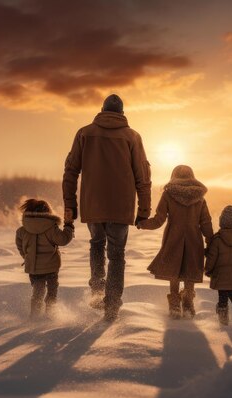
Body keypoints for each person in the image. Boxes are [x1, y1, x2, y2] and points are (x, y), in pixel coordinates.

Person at [62, 94, 152, 321]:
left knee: (96, 244)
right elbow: (143, 176)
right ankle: (112, 304)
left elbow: (70, 172)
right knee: (117, 255)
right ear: (122, 113)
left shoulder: (85, 133)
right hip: (121, 208)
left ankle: (97, 290)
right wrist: (143, 212)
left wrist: (70, 209)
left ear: (102, 109)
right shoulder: (132, 136)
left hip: (93, 205)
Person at [137, 165, 213, 319]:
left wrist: (142, 223)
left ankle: (174, 305)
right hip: (194, 239)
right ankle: (188, 303)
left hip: (173, 238)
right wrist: (211, 240)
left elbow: (159, 220)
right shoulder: (200, 198)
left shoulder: (168, 194)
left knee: (174, 270)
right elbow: (205, 222)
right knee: (190, 270)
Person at [15, 198, 74, 320]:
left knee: (38, 291)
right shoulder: (51, 227)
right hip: (51, 267)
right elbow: (63, 240)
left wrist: (26, 256)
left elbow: (20, 244)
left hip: (34, 268)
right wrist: (69, 225)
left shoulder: (22, 230)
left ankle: (34, 317)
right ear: (47, 212)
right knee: (52, 292)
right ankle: (50, 315)